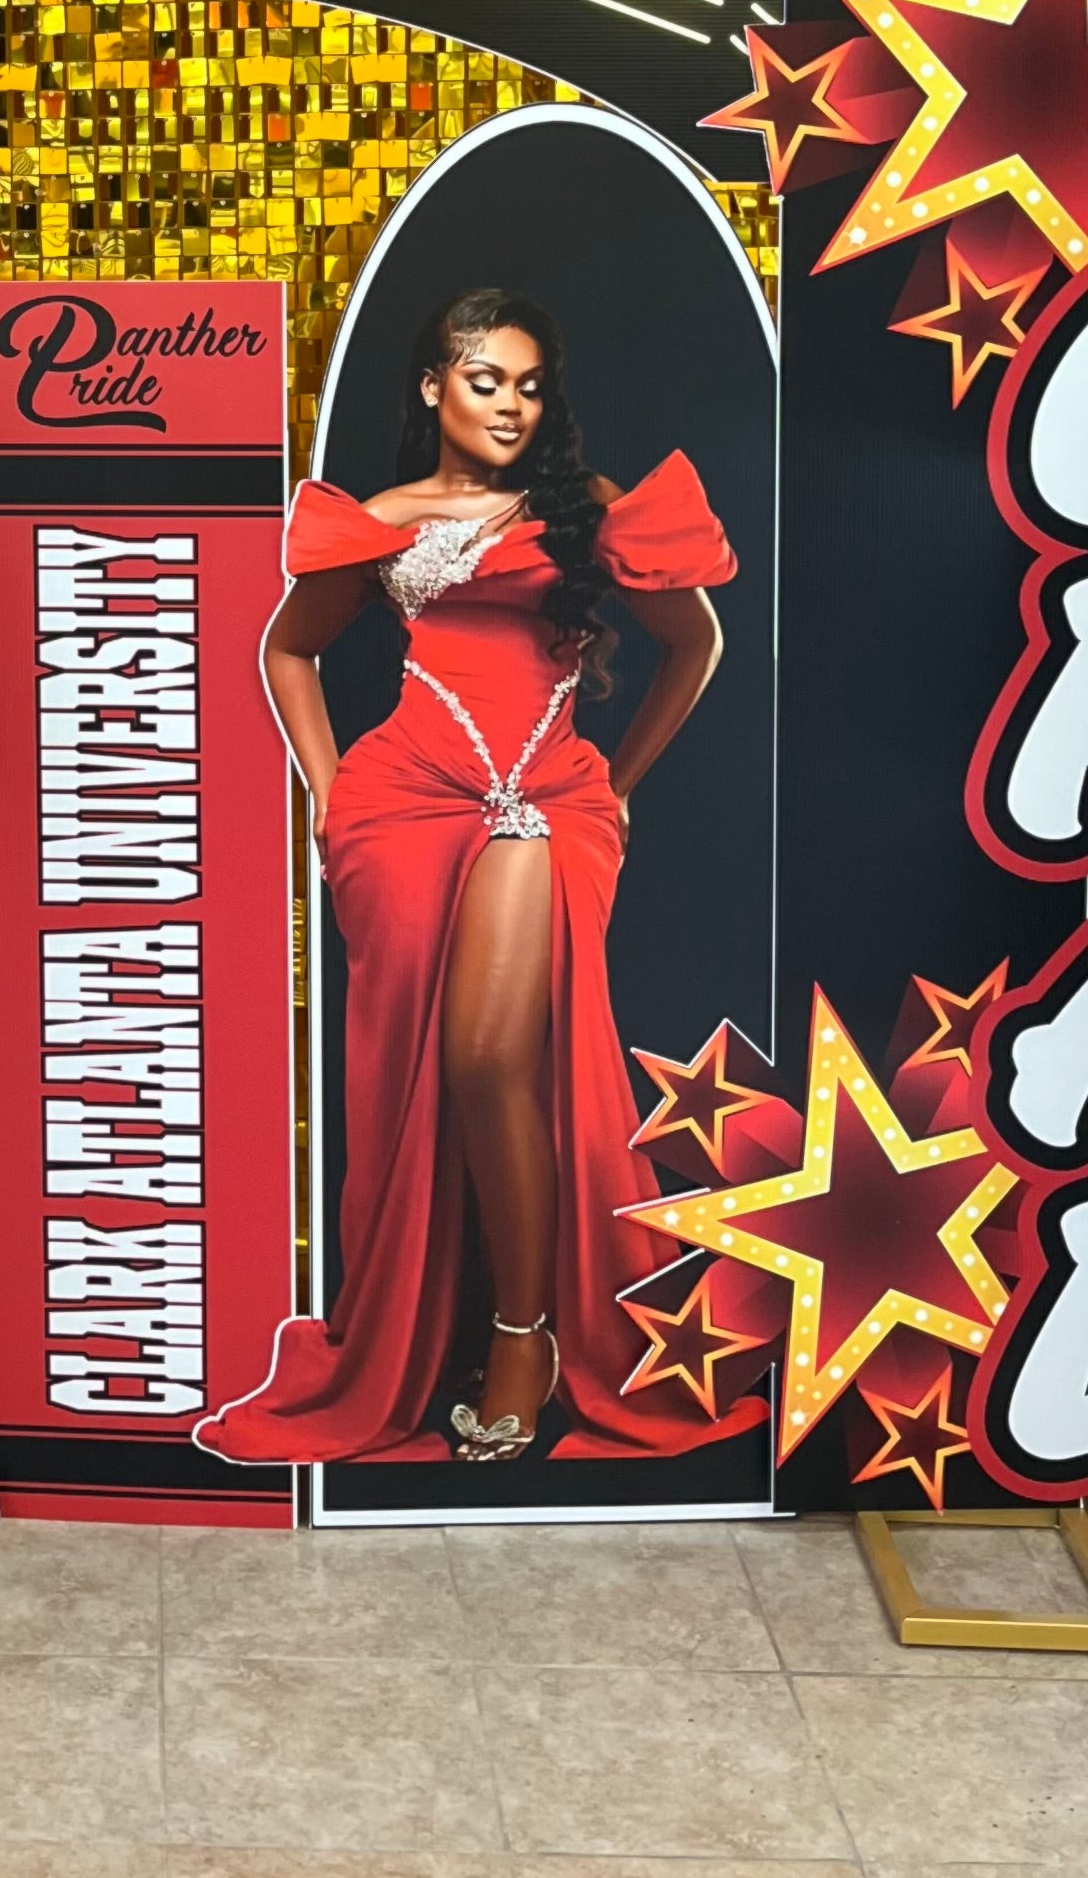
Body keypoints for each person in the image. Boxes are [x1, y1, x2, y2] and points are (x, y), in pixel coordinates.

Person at [198, 291, 737, 1471]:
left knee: (494, 1055)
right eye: (487, 380)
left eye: (531, 384)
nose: (511, 404)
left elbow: (694, 645)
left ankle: (525, 1336)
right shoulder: (383, 518)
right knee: (407, 1072)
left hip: (545, 797)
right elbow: (286, 648)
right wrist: (330, 791)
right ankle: (413, 1335)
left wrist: (623, 780)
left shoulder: (586, 510)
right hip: (402, 804)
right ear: (435, 387)